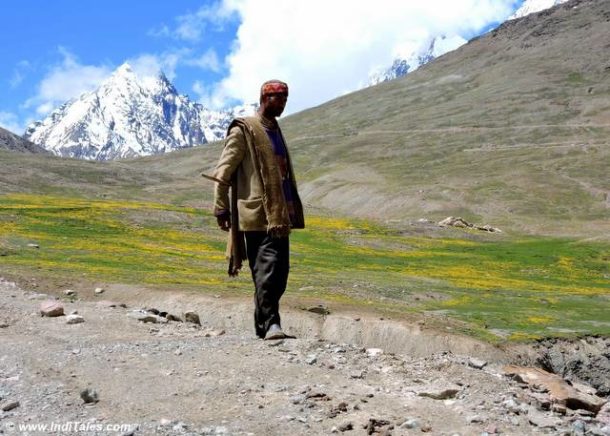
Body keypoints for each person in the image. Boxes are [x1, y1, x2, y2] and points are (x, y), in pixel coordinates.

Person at [209, 80, 305, 340]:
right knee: (268, 269)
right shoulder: (245, 130)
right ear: (265, 98)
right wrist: (220, 207)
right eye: (278, 98)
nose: (283, 103)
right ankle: (272, 325)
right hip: (256, 213)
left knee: (280, 273)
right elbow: (224, 171)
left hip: (279, 214)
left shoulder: (276, 129)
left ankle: (262, 327)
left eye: (285, 98)